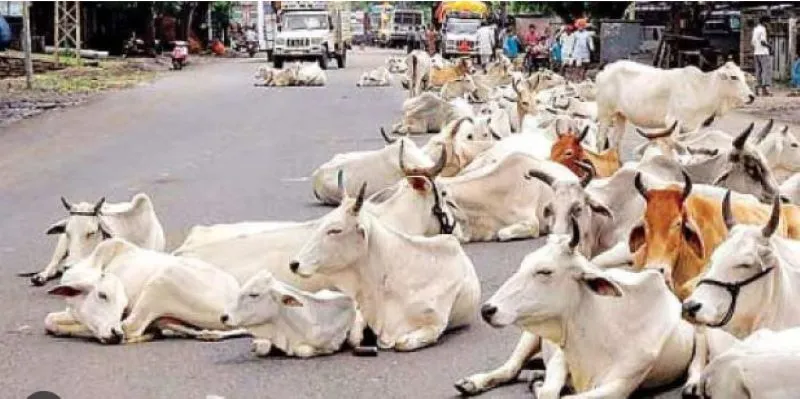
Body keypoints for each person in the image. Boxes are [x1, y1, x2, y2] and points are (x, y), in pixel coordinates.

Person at [752, 15, 773, 96]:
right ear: (764, 22)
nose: (768, 24)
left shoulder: (755, 29)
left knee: (758, 71)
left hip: (756, 52)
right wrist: (770, 46)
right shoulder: (763, 29)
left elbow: (753, 42)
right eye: (768, 22)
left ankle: (756, 90)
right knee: (766, 71)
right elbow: (763, 42)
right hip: (764, 52)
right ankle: (765, 91)